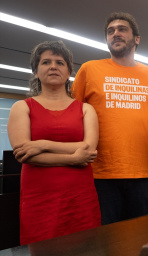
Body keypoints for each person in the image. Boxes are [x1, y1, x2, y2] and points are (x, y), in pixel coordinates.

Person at [71, 12, 148, 224]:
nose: (115, 34)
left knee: (141, 238)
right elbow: (73, 116)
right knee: (104, 243)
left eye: (122, 29)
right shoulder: (89, 69)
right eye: (110, 31)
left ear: (136, 38)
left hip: (143, 172)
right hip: (100, 172)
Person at [7, 41, 100, 245]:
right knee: (42, 254)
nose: (53, 66)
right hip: (39, 197)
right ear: (36, 71)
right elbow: (25, 154)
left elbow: (89, 149)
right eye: (46, 62)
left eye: (60, 62)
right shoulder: (21, 107)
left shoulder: (86, 109)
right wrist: (74, 158)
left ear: (69, 72)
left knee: (86, 252)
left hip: (80, 196)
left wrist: (42, 144)